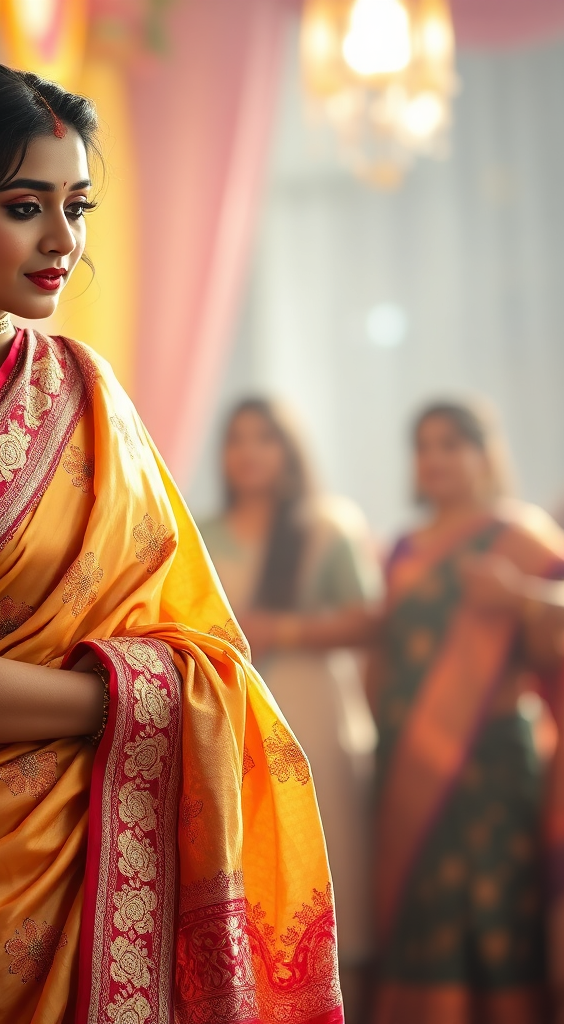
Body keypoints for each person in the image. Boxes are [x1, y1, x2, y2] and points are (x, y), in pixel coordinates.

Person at [0, 59, 343, 1022]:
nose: (63, 240)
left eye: (77, 205)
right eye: (24, 207)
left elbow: (187, 618)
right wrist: (136, 701)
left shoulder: (82, 384)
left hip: (117, 835)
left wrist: (161, 696)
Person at [371, 400, 564, 1024]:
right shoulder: (403, 548)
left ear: (486, 454)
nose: (435, 460)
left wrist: (522, 596)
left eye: (452, 445)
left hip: (493, 765)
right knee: (423, 911)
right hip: (407, 763)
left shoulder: (519, 534)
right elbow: (384, 649)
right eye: (424, 447)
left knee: (496, 912)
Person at [199, 398, 382, 1022]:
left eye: (265, 439)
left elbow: (367, 619)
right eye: (237, 439)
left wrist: (283, 630)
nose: (249, 452)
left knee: (328, 855)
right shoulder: (204, 531)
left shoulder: (327, 527)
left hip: (316, 713)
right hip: (236, 717)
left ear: (289, 450)